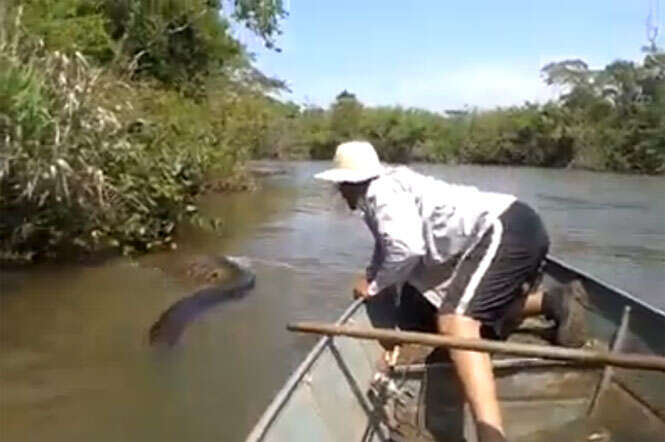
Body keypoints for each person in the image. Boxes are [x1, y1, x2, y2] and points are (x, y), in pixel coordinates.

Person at [315, 141, 587, 442]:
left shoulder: (382, 194)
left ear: (348, 183)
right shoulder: (383, 191)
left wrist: (376, 285)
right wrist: (371, 276)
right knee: (456, 312)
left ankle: (491, 435)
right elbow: (387, 245)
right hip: (518, 226)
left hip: (503, 229)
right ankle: (553, 301)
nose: (339, 193)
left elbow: (406, 249)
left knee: (455, 322)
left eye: (340, 186)